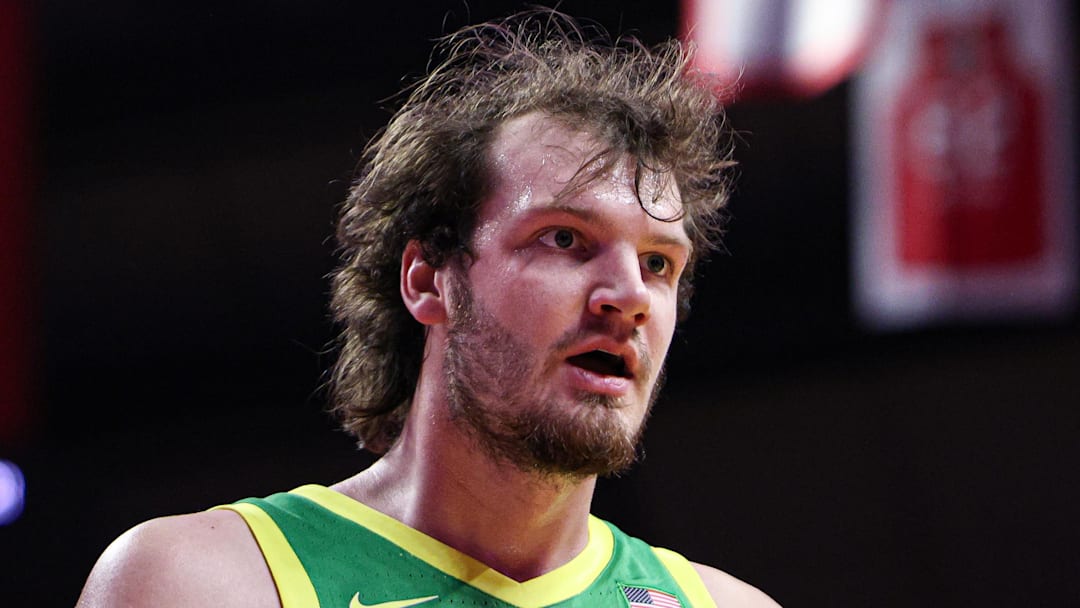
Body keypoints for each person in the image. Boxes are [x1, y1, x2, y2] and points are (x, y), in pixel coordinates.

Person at [77, 11, 780, 608]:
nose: (627, 295)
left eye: (658, 263)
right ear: (428, 279)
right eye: (565, 239)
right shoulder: (204, 583)